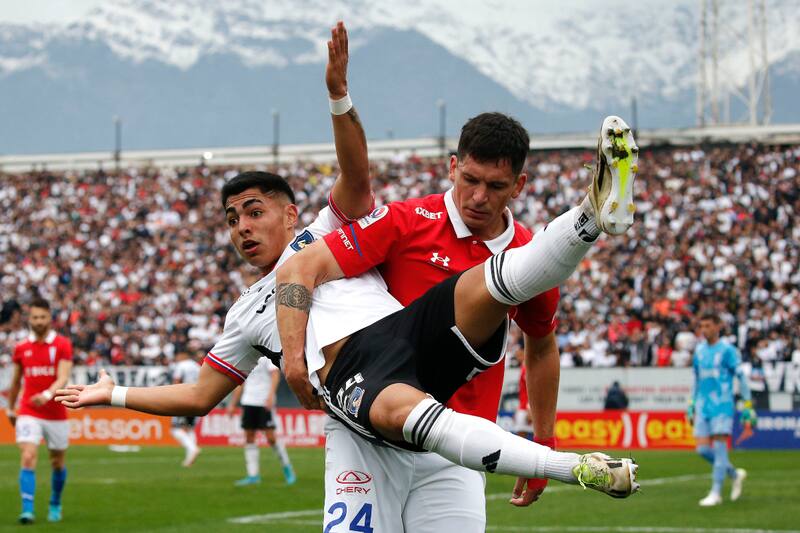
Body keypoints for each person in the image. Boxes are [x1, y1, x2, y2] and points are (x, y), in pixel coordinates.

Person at [56, 114, 641, 509]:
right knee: (410, 384)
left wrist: (339, 96)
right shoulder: (243, 314)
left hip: (409, 347)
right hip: (360, 394)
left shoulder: (324, 232)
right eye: (232, 220)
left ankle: (592, 215)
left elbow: (353, 177)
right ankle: (575, 467)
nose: (242, 228)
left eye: (254, 212)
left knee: (487, 286)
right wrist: (111, 394)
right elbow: (196, 397)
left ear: (291, 215)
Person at [6, 297, 73, 524]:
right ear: (29, 319)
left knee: (57, 462)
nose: (38, 321)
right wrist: (10, 408)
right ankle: (28, 510)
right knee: (28, 455)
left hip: (56, 412)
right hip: (28, 410)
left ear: (49, 318)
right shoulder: (21, 348)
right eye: (34, 317)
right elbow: (16, 382)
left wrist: (46, 395)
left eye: (42, 317)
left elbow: (63, 378)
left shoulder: (62, 344)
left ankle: (55, 501)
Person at [688, 313, 756, 507]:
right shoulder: (699, 351)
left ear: (718, 326)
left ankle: (716, 492)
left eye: (708, 325)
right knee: (702, 450)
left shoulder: (727, 350)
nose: (704, 329)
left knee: (719, 447)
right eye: (702, 325)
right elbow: (697, 378)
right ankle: (734, 474)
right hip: (703, 405)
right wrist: (692, 403)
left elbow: (741, 377)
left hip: (722, 405)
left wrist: (747, 405)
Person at [227, 356, 296, 486]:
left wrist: (270, 396)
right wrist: (233, 404)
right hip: (248, 401)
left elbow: (275, 375)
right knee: (249, 437)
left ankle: (287, 469)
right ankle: (253, 475)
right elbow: (240, 382)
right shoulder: (246, 357)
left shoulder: (266, 357)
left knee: (271, 438)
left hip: (263, 401)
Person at [170, 351, 202, 467]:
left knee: (175, 429)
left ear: (182, 355)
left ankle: (193, 449)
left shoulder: (181, 365)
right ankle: (190, 456)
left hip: (183, 399)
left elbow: (176, 382)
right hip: (197, 398)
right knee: (189, 428)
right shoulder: (197, 366)